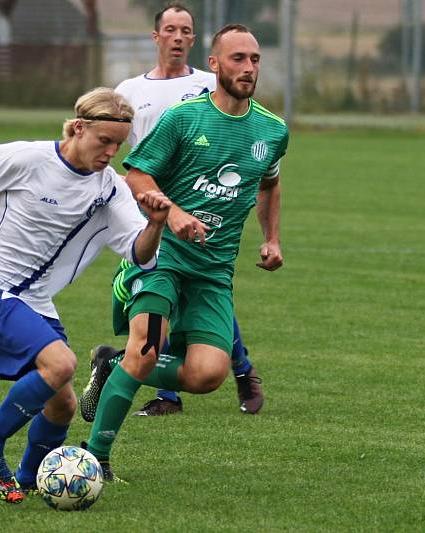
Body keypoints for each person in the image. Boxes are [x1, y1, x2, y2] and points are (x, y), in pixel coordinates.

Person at [0, 87, 171, 503]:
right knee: (62, 364)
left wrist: (156, 224)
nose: (112, 151)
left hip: (36, 301)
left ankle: (27, 479)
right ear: (78, 128)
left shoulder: (109, 187)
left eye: (119, 143)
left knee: (63, 406)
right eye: (104, 140)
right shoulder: (29, 159)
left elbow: (138, 252)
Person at [80, 24, 289, 482]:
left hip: (213, 271)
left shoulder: (272, 130)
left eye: (255, 59)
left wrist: (271, 238)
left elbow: (269, 184)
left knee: (206, 375)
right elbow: (136, 174)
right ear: (214, 64)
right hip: (162, 258)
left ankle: (109, 363)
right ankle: (95, 457)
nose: (249, 67)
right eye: (238, 58)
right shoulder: (184, 118)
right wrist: (170, 212)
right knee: (148, 350)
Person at [55, 2, 264, 418]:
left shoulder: (211, 85)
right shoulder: (131, 90)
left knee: (200, 291)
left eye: (186, 30)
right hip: (147, 209)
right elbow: (109, 141)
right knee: (159, 294)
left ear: (194, 40)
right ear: (157, 37)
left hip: (204, 206)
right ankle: (168, 387)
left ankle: (239, 370)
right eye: (171, 29)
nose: (179, 37)